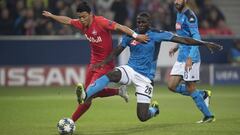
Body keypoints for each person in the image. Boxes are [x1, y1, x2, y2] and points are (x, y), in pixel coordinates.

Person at [75, 12, 222, 122]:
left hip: (145, 78)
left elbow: (182, 39)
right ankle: (85, 95)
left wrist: (204, 43)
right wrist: (104, 62)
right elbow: (118, 49)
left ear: (149, 23)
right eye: (138, 22)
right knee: (112, 74)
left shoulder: (157, 34)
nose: (140, 25)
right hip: (131, 69)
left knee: (142, 116)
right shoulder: (131, 35)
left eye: (143, 22)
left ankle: (154, 109)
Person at [42, 1, 148, 123]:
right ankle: (119, 91)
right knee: (89, 94)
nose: (81, 20)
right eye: (79, 17)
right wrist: (52, 16)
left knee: (87, 96)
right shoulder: (82, 24)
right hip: (93, 64)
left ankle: (70, 121)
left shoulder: (101, 21)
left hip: (106, 64)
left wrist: (136, 36)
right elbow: (67, 20)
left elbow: (120, 27)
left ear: (91, 14)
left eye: (84, 17)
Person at [167, 0, 215, 123]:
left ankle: (208, 116)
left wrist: (190, 57)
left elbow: (196, 37)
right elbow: (183, 36)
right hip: (181, 57)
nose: (176, 2)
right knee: (171, 85)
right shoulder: (178, 14)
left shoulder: (190, 16)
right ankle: (202, 94)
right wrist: (176, 47)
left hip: (190, 58)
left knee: (190, 87)